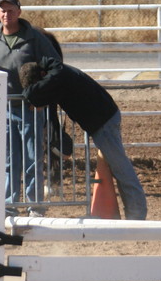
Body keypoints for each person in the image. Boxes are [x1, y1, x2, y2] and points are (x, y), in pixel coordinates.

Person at [20, 58, 148, 220]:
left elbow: (33, 94)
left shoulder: (56, 77)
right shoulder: (58, 72)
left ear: (43, 76)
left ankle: (137, 215)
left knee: (121, 168)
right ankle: (135, 213)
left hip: (103, 121)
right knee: (119, 167)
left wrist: (29, 93)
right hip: (104, 118)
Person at [0, 0, 60, 214]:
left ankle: (35, 205)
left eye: (10, 10)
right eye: (2, 10)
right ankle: (10, 204)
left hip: (30, 108)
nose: (6, 14)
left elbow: (54, 66)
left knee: (33, 158)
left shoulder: (34, 38)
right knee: (8, 160)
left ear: (19, 12)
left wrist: (40, 96)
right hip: (3, 109)